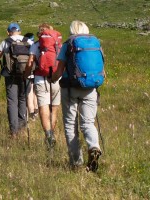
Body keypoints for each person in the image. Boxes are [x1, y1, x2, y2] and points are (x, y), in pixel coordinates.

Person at [52, 20, 103, 171]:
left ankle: (76, 162)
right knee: (88, 123)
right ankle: (94, 146)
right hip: (90, 88)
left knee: (70, 125)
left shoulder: (68, 44)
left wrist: (53, 78)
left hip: (70, 89)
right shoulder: (95, 43)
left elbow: (59, 70)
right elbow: (103, 70)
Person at [0, 22, 33, 137]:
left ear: (8, 32)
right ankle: (22, 126)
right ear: (19, 31)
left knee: (12, 101)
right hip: (26, 74)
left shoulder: (6, 41)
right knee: (22, 99)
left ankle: (13, 131)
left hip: (10, 75)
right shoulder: (28, 41)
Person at [24, 23, 60, 147]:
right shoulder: (57, 44)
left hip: (41, 78)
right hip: (56, 78)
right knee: (54, 108)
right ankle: (53, 132)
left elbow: (30, 62)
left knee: (43, 108)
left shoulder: (36, 45)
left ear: (40, 33)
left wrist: (26, 75)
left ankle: (49, 135)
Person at [23, 33, 39, 120]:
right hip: (36, 72)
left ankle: (31, 113)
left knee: (29, 94)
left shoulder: (25, 47)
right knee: (35, 93)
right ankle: (36, 110)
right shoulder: (36, 45)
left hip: (28, 72)